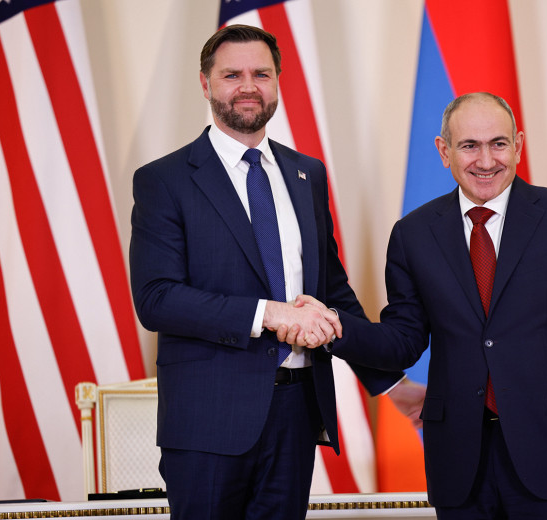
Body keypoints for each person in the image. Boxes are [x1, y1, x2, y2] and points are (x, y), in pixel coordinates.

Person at [129, 24, 424, 520]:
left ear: (277, 82)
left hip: (296, 414)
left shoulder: (307, 173)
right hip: (208, 423)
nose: (248, 86)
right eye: (232, 75)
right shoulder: (165, 180)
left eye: (261, 74)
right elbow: (157, 298)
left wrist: (392, 386)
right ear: (205, 83)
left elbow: (331, 296)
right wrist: (269, 314)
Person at [292, 92, 547, 519]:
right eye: (470, 146)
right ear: (444, 151)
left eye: (498, 144)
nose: (486, 160)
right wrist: (335, 326)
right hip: (459, 463)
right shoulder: (414, 234)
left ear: (518, 146)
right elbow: (403, 340)